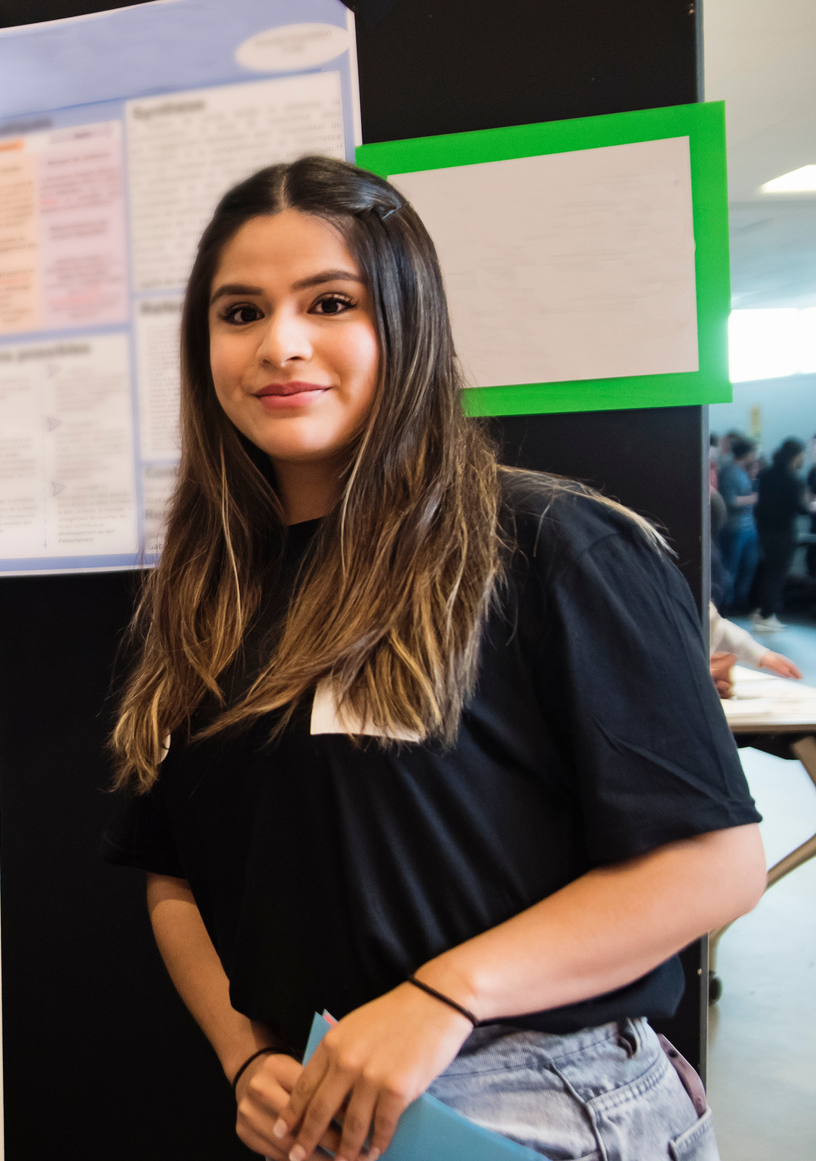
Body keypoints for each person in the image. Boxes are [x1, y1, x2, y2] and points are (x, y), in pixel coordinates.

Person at [102, 156, 763, 1161]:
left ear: (406, 322)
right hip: (318, 1109)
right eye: (239, 313)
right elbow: (172, 876)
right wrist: (244, 1056)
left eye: (328, 302)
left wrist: (439, 997)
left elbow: (710, 864)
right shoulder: (206, 595)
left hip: (539, 1095)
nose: (279, 344)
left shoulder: (549, 547)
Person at [750, 437, 811, 632]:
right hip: (783, 532)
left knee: (768, 570)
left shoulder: (766, 474)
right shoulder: (794, 480)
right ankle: (768, 615)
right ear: (796, 456)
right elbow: (800, 509)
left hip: (765, 530)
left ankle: (761, 610)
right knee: (777, 573)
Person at [717, 435, 759, 613]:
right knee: (731, 569)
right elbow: (730, 500)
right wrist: (754, 499)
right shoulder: (729, 471)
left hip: (748, 527)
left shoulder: (743, 470)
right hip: (734, 528)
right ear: (747, 453)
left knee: (747, 566)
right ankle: (727, 603)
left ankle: (740, 602)